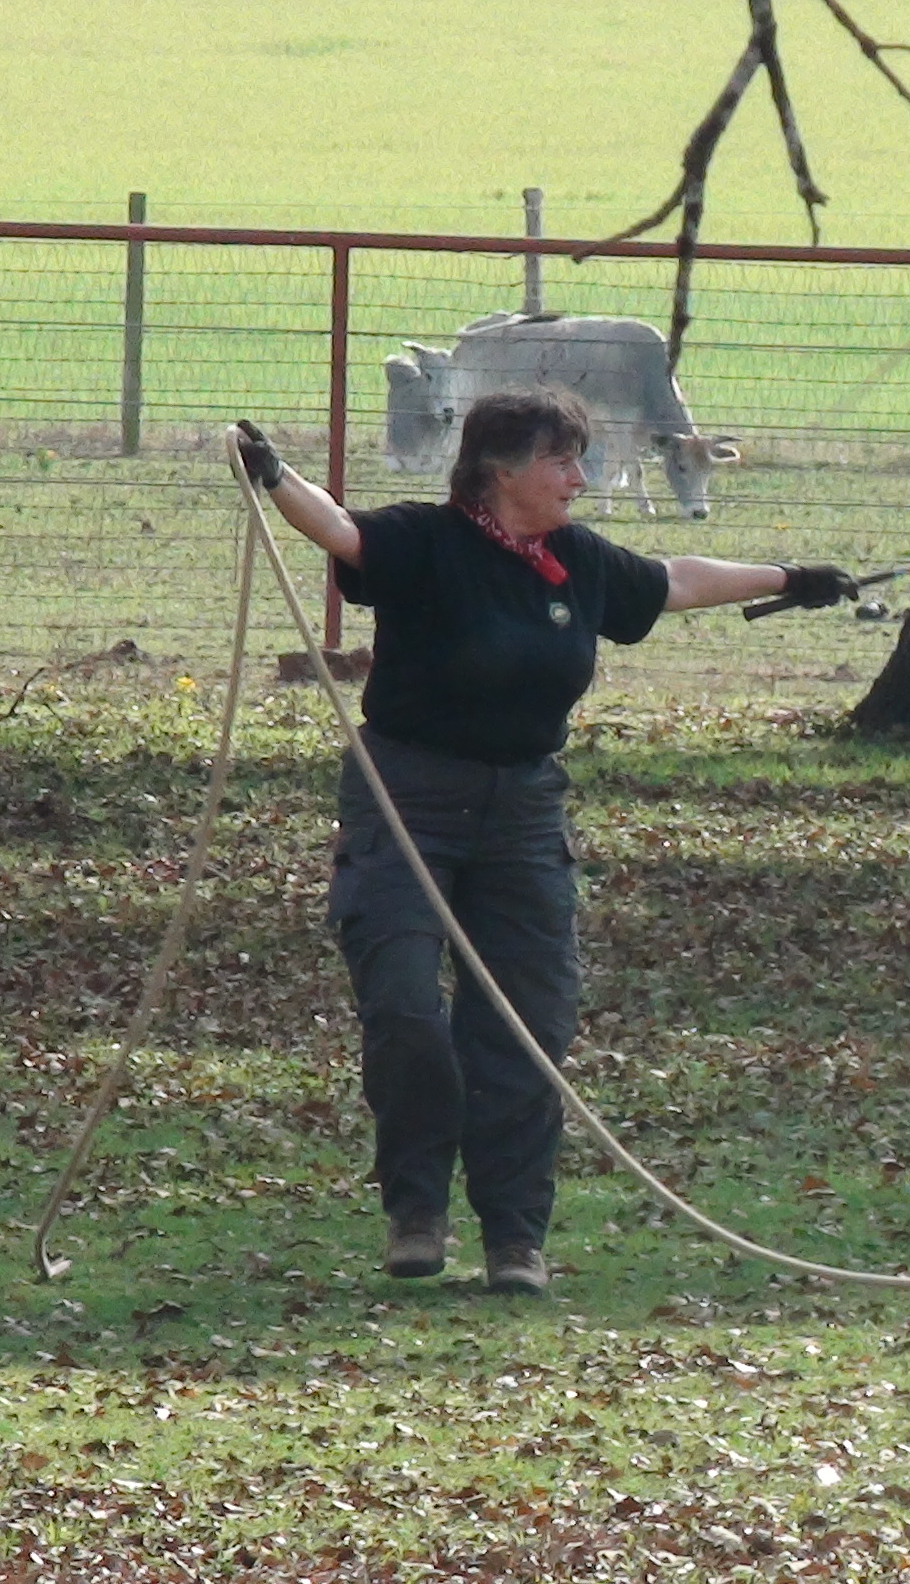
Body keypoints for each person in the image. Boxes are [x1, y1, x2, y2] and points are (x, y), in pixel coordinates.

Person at [237, 397, 847, 1294]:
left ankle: (515, 1234)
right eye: (562, 462)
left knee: (528, 1025)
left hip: (522, 811)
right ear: (501, 469)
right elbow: (338, 530)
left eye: (579, 462)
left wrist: (788, 578)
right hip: (407, 798)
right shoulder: (427, 541)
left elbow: (673, 580)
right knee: (405, 1007)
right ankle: (416, 1209)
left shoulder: (578, 560)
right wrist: (273, 472)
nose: (579, 479)